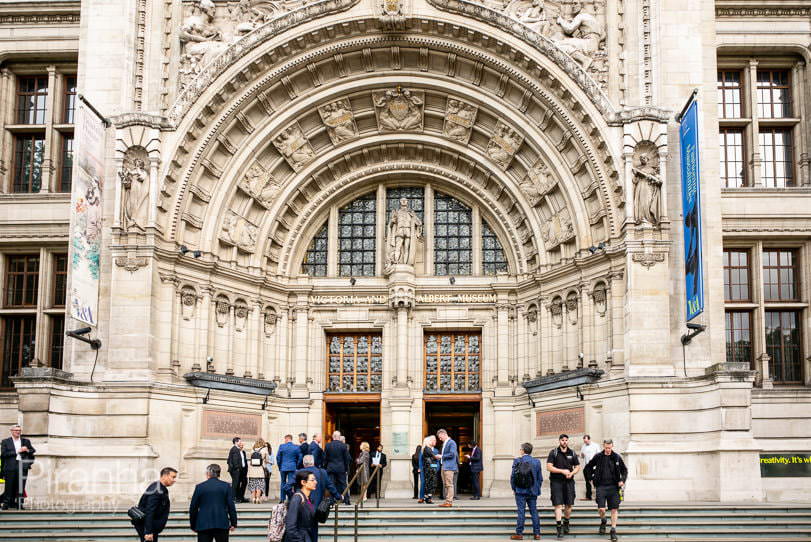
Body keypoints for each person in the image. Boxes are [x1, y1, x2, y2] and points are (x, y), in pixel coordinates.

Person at [584, 439, 627, 542]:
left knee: (614, 509)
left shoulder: (616, 457)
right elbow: (588, 467)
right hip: (601, 487)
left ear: (612, 446)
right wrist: (590, 478)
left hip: (614, 487)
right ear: (603, 446)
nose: (608, 450)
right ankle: (603, 520)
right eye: (606, 448)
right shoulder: (598, 456)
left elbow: (624, 470)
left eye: (609, 448)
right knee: (601, 509)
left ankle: (613, 530)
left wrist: (622, 480)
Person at [189, 464, 238, 542]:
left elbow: (193, 508)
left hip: (204, 524)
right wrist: (234, 523)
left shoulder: (200, 487)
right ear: (219, 474)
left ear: (208, 473)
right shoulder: (226, 486)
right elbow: (231, 506)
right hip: (221, 523)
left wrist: (193, 525)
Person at [546, 434, 580, 539]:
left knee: (569, 505)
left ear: (568, 441)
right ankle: (559, 528)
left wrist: (572, 473)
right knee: (558, 505)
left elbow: (577, 466)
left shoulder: (572, 453)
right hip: (556, 482)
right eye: (562, 440)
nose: (564, 442)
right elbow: (549, 467)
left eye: (566, 440)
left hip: (569, 482)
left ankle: (566, 522)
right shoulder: (554, 452)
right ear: (559, 441)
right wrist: (562, 471)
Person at [299, 454, 339, 541]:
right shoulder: (322, 472)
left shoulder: (299, 472)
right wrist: (338, 496)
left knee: (302, 531)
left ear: (303, 463)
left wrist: (293, 498)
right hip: (316, 508)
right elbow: (330, 486)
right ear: (313, 462)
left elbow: (287, 487)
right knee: (314, 532)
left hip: (301, 507)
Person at [133, 467, 177, 542]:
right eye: (173, 477)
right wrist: (148, 532)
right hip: (147, 526)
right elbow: (150, 510)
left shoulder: (159, 487)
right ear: (165, 476)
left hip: (150, 526)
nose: (174, 480)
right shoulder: (157, 490)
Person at [510, 443, 542, 540]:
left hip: (520, 491)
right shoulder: (537, 462)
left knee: (521, 512)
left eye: (521, 449)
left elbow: (513, 477)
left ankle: (519, 534)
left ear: (523, 450)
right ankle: (537, 534)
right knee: (534, 512)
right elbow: (540, 478)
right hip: (532, 491)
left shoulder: (517, 461)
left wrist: (514, 488)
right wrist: (536, 488)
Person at [0, 425, 36, 510]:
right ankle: (6, 504)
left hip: (22, 466)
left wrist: (27, 450)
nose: (18, 432)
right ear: (11, 431)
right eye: (16, 430)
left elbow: (33, 450)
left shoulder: (26, 441)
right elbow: (4, 454)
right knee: (9, 486)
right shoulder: (5, 441)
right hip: (10, 467)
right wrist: (17, 451)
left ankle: (19, 504)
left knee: (21, 486)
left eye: (19, 430)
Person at [284, 470, 317, 542]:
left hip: (306, 536)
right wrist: (300, 539)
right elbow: (290, 526)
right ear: (303, 482)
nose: (315, 482)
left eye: (315, 480)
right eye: (312, 480)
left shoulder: (309, 498)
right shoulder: (297, 498)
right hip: (300, 538)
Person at [324, 430, 351, 505]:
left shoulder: (328, 445)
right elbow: (346, 459)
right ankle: (347, 500)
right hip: (341, 468)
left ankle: (331, 500)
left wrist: (325, 467)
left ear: (333, 437)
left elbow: (325, 458)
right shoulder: (343, 446)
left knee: (331, 484)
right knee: (343, 484)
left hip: (331, 468)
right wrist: (346, 469)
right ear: (339, 437)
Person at [435, 429, 458, 507]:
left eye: (440, 437)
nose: (440, 439)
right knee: (445, 484)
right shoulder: (445, 443)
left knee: (449, 484)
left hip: (449, 467)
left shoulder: (452, 442)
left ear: (443, 434)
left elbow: (452, 454)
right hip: (444, 466)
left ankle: (449, 502)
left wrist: (441, 456)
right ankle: (447, 501)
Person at [278, 434, 303, 503]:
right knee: (290, 483)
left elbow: (278, 457)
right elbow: (300, 457)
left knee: (283, 482)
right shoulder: (296, 447)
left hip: (283, 467)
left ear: (287, 439)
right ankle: (290, 499)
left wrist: (280, 466)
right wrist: (296, 465)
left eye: (285, 439)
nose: (284, 441)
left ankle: (282, 499)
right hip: (292, 467)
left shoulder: (282, 446)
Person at [247, 439, 269, 503]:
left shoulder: (252, 449)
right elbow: (267, 460)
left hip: (252, 470)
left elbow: (250, 458)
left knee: (253, 485)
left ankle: (253, 498)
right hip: (260, 469)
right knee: (259, 485)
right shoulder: (265, 449)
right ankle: (258, 498)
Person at [226, 437, 247, 504]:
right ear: (236, 442)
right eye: (239, 442)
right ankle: (233, 498)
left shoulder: (238, 450)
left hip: (241, 470)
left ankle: (240, 497)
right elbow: (234, 460)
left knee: (242, 482)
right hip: (236, 470)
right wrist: (237, 468)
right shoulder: (235, 449)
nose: (241, 443)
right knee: (235, 484)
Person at [579, 434, 600, 501]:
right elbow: (581, 456)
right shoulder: (583, 446)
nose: (585, 442)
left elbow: (599, 454)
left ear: (589, 439)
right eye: (584, 441)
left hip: (594, 466)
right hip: (587, 466)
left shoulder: (596, 445)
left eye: (586, 441)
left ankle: (599, 496)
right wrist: (582, 455)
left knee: (595, 480)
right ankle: (588, 496)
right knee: (587, 481)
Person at [421, 436, 439, 504]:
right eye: (430, 440)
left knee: (428, 483)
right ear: (428, 442)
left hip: (429, 468)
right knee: (430, 483)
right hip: (429, 469)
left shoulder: (426, 449)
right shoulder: (427, 449)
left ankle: (426, 497)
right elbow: (434, 457)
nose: (432, 441)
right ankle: (428, 498)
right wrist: (438, 457)